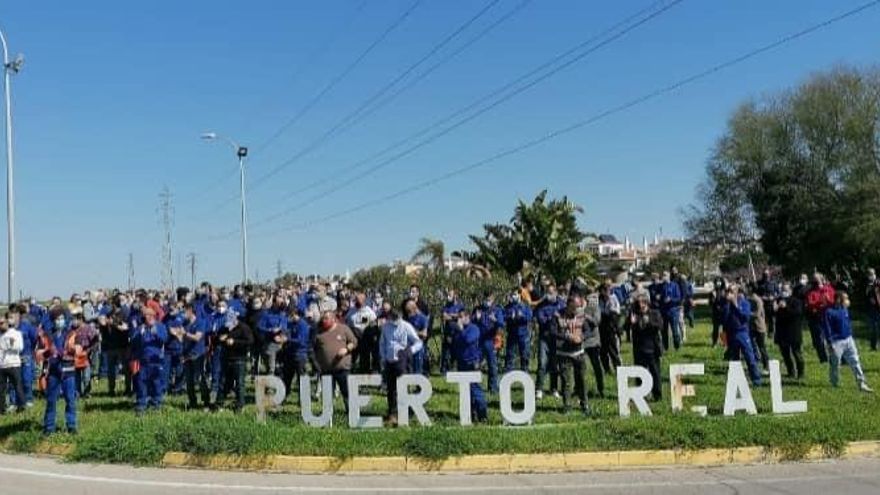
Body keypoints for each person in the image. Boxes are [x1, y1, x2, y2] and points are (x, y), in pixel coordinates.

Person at [379, 302, 423, 426]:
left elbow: (418, 342)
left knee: (403, 388)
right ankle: (392, 414)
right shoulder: (386, 327)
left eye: (397, 317)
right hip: (389, 361)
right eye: (392, 317)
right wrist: (382, 357)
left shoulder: (406, 326)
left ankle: (404, 414)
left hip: (402, 360)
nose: (395, 320)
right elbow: (382, 343)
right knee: (391, 389)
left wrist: (410, 351)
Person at [38, 310, 78, 434]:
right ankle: (49, 427)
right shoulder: (48, 336)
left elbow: (78, 350)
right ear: (53, 321)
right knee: (51, 400)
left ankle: (71, 425)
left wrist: (72, 350)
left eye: (62, 318)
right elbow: (39, 354)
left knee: (70, 400)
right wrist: (48, 353)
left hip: (68, 371)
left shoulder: (71, 334)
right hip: (54, 372)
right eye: (57, 319)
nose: (59, 321)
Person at [824, 292, 873, 393]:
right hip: (836, 343)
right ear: (838, 300)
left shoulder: (844, 309)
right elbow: (827, 328)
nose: (848, 301)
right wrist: (829, 343)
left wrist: (850, 335)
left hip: (849, 340)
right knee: (835, 364)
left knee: (855, 361)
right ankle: (834, 382)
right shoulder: (829, 312)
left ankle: (861, 383)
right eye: (845, 299)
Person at [312, 311, 358, 410]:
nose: (323, 321)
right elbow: (314, 349)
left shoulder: (343, 328)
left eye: (326, 318)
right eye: (323, 318)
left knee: (347, 392)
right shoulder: (319, 332)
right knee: (327, 395)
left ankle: (351, 413)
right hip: (326, 369)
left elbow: (354, 342)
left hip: (342, 368)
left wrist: (346, 349)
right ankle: (328, 417)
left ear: (333, 319)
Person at [554, 295, 590, 415]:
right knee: (566, 381)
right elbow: (552, 331)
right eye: (574, 307)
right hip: (564, 353)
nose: (576, 310)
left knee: (582, 380)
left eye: (578, 307)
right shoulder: (558, 315)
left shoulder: (581, 315)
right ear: (568, 305)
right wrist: (568, 337)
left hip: (579, 352)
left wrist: (581, 337)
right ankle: (567, 405)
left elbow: (588, 330)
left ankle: (585, 404)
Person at [721, 285, 763, 385]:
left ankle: (756, 379)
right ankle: (736, 380)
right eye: (727, 291)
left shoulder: (744, 303)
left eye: (731, 291)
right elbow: (723, 319)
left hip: (742, 333)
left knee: (750, 357)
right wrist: (727, 304)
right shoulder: (726, 304)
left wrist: (736, 305)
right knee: (734, 359)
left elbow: (745, 317)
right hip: (731, 333)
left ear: (737, 292)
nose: (729, 293)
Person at [129, 307, 168, 414]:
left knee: (156, 383)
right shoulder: (141, 328)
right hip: (143, 360)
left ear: (153, 316)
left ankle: (157, 404)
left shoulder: (160, 326)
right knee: (142, 382)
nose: (146, 317)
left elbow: (164, 339)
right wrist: (138, 335)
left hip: (156, 360)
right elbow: (133, 342)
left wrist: (155, 333)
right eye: (145, 315)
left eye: (148, 315)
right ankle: (142, 404)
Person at [216, 311, 255, 412]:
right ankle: (219, 403)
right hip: (226, 358)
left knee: (239, 383)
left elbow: (250, 341)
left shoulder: (244, 328)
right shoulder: (224, 329)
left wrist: (235, 342)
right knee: (223, 382)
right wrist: (220, 339)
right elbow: (216, 339)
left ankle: (240, 405)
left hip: (239, 359)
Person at [454, 308, 488, 423]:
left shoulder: (474, 329)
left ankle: (482, 414)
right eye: (458, 317)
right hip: (462, 363)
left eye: (462, 317)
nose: (459, 319)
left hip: (472, 363)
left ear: (467, 317)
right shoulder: (458, 331)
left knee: (475, 390)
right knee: (465, 392)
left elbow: (468, 340)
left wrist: (461, 330)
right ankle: (470, 414)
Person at [628, 294, 663, 401]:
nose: (640, 307)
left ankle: (657, 394)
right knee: (639, 373)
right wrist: (631, 323)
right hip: (639, 349)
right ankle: (641, 395)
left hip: (652, 348)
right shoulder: (634, 315)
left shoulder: (654, 313)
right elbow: (625, 327)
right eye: (638, 304)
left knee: (655, 372)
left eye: (642, 304)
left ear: (646, 303)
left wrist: (649, 322)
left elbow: (660, 326)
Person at [535, 285, 562, 400]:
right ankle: (539, 389)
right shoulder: (541, 306)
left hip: (557, 338)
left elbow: (565, 316)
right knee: (542, 363)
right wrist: (553, 317)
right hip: (544, 338)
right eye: (548, 292)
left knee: (555, 365)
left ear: (556, 292)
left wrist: (558, 318)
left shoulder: (561, 304)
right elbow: (541, 319)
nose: (550, 295)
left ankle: (554, 388)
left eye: (552, 292)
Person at [181, 303, 210, 410]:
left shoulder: (200, 322)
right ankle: (192, 402)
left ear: (190, 310)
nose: (183, 313)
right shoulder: (185, 323)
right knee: (189, 380)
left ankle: (206, 402)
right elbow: (182, 338)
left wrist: (185, 334)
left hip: (197, 354)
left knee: (200, 379)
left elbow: (198, 337)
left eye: (184, 311)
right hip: (186, 355)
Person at [474, 293, 504, 394]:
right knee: (476, 364)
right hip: (479, 341)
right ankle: (475, 386)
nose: (487, 301)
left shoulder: (497, 310)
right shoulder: (478, 309)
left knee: (492, 365)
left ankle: (493, 388)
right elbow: (469, 322)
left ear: (493, 299)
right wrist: (476, 318)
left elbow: (501, 324)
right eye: (486, 299)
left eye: (489, 299)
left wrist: (495, 320)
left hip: (491, 340)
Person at [774, 283, 805, 380]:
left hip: (793, 332)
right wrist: (773, 308)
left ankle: (801, 373)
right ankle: (790, 371)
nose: (783, 292)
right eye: (782, 289)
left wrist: (785, 307)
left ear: (790, 291)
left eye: (786, 290)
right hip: (782, 332)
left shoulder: (796, 301)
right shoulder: (778, 301)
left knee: (797, 353)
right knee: (785, 354)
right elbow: (773, 314)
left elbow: (797, 313)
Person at [8, 306, 37, 407]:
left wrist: (29, 351)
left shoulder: (26, 326)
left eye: (16, 314)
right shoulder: (6, 328)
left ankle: (28, 399)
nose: (14, 316)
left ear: (19, 315)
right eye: (12, 314)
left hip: (26, 357)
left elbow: (34, 339)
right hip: (12, 358)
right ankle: (13, 402)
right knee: (12, 381)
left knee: (26, 379)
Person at [280, 310, 312, 400]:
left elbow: (301, 340)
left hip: (300, 354)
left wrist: (288, 339)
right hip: (290, 353)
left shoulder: (303, 325)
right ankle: (285, 395)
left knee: (301, 377)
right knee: (287, 377)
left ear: (295, 314)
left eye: (291, 316)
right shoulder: (291, 324)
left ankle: (303, 399)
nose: (289, 318)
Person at [805, 273, 834, 363]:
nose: (816, 281)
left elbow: (833, 301)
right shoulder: (811, 291)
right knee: (819, 340)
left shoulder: (828, 289)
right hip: (817, 317)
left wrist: (827, 300)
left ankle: (836, 356)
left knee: (831, 338)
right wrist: (819, 303)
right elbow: (810, 303)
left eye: (817, 279)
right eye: (814, 279)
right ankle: (823, 358)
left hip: (828, 316)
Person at [346, 292, 378, 373]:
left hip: (365, 338)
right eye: (357, 299)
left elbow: (374, 322)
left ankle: (364, 372)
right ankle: (351, 371)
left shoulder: (369, 311)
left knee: (365, 357)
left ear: (364, 300)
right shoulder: (351, 311)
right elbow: (347, 323)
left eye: (361, 299)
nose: (359, 301)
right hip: (354, 337)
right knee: (353, 357)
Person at [70, 311, 100, 399]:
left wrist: (89, 350)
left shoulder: (88, 329)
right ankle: (77, 392)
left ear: (81, 319)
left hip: (86, 355)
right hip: (75, 356)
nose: (74, 321)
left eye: (75, 319)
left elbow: (95, 341)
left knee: (86, 376)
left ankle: (87, 392)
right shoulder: (72, 329)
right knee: (76, 376)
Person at [0, 316, 25, 414]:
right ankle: (2, 409)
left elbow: (20, 347)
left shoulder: (16, 333)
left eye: (2, 323)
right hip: (2, 365)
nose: (0, 325)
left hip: (14, 364)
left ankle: (21, 405)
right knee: (1, 388)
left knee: (17, 385)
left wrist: (11, 345)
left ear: (6, 323)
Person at [257, 295, 288, 376]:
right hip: (270, 341)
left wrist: (282, 334)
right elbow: (260, 327)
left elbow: (285, 326)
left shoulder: (282, 314)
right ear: (274, 303)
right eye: (278, 303)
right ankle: (271, 375)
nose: (280, 305)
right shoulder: (266, 313)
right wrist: (271, 330)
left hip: (282, 341)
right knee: (270, 365)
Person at [503, 290, 533, 373]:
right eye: (512, 294)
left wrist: (522, 316)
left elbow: (530, 317)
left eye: (515, 294)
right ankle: (508, 376)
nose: (513, 296)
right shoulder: (508, 307)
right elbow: (503, 317)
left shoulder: (525, 306)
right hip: (512, 335)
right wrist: (510, 317)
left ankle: (525, 375)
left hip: (523, 335)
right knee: (510, 356)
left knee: (524, 356)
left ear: (520, 295)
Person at [582, 288, 604, 398]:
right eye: (588, 296)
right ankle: (580, 390)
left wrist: (587, 317)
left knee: (597, 367)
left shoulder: (594, 307)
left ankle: (601, 389)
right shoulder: (579, 308)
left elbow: (597, 321)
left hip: (593, 342)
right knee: (581, 368)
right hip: (582, 342)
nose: (590, 298)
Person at [598, 284, 622, 375]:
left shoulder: (613, 298)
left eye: (607, 290)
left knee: (613, 350)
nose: (606, 292)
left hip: (611, 327)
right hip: (602, 328)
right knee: (603, 352)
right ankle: (607, 369)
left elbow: (615, 313)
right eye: (604, 291)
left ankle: (618, 369)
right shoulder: (599, 299)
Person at [163, 304, 186, 395]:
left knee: (179, 369)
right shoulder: (165, 318)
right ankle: (165, 388)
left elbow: (185, 331)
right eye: (170, 309)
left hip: (179, 347)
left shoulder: (182, 317)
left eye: (173, 309)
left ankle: (178, 388)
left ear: (177, 308)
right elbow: (163, 329)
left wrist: (177, 332)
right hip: (168, 348)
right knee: (166, 370)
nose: (171, 310)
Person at [440, 289, 464, 374]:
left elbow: (462, 316)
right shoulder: (446, 306)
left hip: (457, 333)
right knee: (446, 352)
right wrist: (455, 316)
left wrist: (451, 315)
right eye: (447, 295)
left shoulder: (460, 306)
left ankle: (454, 368)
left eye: (450, 295)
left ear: (455, 296)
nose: (448, 297)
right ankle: (444, 370)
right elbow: (444, 317)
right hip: (448, 333)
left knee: (456, 352)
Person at [747, 285, 770, 372]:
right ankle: (755, 363)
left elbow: (758, 313)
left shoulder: (757, 300)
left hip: (759, 327)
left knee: (762, 347)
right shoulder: (748, 299)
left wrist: (747, 313)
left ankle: (766, 365)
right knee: (752, 346)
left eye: (747, 288)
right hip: (751, 327)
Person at [660, 271, 683, 351]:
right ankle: (665, 347)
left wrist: (671, 299)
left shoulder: (674, 285)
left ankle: (677, 346)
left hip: (673, 311)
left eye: (665, 275)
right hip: (664, 311)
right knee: (664, 331)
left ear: (669, 276)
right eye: (663, 275)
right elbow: (659, 298)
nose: (663, 277)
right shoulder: (661, 286)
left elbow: (678, 298)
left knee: (675, 330)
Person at [404, 300, 429, 375]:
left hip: (418, 347)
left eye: (409, 311)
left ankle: (419, 385)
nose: (408, 313)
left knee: (417, 370)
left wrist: (413, 332)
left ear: (414, 309)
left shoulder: (423, 318)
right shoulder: (407, 318)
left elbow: (424, 334)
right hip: (408, 347)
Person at [756, 270, 779, 337]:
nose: (766, 276)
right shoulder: (759, 283)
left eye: (767, 274)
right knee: (763, 318)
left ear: (769, 274)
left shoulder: (773, 283)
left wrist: (774, 297)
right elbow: (756, 293)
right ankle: (763, 332)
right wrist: (762, 297)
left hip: (771, 303)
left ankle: (771, 333)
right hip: (762, 303)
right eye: (765, 274)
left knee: (772, 319)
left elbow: (778, 292)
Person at [864, 268, 880, 351]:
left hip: (878, 308)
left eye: (872, 274)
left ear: (875, 274)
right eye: (869, 274)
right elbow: (866, 296)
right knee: (873, 328)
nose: (871, 276)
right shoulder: (867, 284)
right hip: (871, 310)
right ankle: (873, 346)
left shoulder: (878, 282)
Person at [709, 277, 727, 348]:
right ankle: (714, 342)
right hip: (715, 313)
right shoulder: (712, 292)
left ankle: (724, 343)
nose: (718, 283)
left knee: (724, 329)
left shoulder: (725, 291)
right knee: (715, 329)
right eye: (716, 282)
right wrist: (713, 297)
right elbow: (710, 303)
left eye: (719, 282)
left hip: (724, 312)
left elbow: (726, 301)